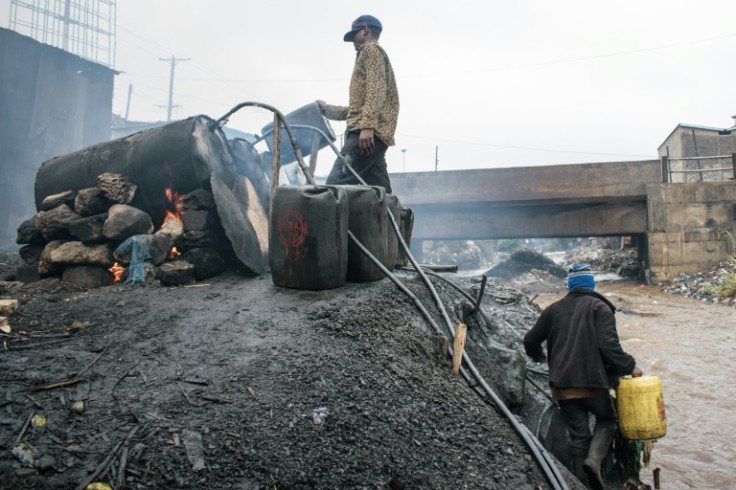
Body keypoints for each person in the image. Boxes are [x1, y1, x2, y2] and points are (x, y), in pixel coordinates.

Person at [523, 264, 643, 490]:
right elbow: (609, 347)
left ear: (571, 286)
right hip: (592, 383)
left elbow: (529, 341)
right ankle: (594, 461)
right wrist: (631, 366)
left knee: (579, 437)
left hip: (562, 386)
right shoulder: (600, 308)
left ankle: (581, 483)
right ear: (591, 284)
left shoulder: (553, 309)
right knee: (608, 420)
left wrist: (539, 356)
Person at [318, 14, 399, 194]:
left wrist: (367, 127)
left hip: (366, 134)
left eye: (355, 34)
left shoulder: (370, 50)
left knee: (334, 186)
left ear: (365, 30)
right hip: (373, 134)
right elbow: (358, 110)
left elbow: (375, 90)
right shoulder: (370, 55)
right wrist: (327, 110)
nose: (353, 41)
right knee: (381, 194)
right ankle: (390, 221)